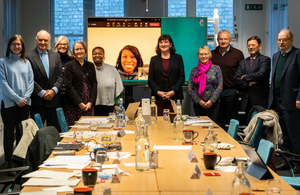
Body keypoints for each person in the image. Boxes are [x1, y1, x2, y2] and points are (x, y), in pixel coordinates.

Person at [268, 29, 300, 173]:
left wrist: (299, 97)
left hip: (292, 101)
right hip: (277, 100)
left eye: (284, 40)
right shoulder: (275, 56)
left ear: (291, 40)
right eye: (279, 40)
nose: (281, 42)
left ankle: (298, 162)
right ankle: (287, 161)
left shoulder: (297, 54)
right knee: (283, 134)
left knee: (294, 133)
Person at [0, 35, 34, 169]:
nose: (16, 46)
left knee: (22, 133)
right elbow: (3, 84)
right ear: (9, 46)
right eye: (14, 44)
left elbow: (31, 82)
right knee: (9, 134)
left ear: (22, 46)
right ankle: (9, 162)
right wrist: (18, 99)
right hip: (9, 104)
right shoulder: (3, 62)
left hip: (25, 104)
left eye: (19, 44)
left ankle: (20, 160)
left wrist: (24, 98)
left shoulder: (26, 62)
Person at [26, 30, 63, 130]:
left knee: (53, 132)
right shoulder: (28, 56)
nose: (43, 42)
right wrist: (42, 93)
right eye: (40, 40)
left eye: (45, 40)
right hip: (38, 101)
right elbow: (29, 78)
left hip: (54, 100)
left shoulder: (56, 56)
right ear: (35, 40)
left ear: (49, 41)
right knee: (37, 133)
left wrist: (53, 91)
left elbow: (61, 76)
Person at [211, 29, 244, 129]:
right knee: (217, 118)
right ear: (217, 40)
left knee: (231, 119)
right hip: (215, 91)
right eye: (221, 39)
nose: (223, 41)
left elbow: (243, 72)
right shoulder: (212, 54)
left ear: (230, 40)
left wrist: (238, 90)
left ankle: (231, 141)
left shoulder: (238, 54)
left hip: (231, 91)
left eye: (225, 39)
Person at [148, 34, 185, 116]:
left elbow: (181, 77)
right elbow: (150, 79)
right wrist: (159, 92)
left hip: (174, 97)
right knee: (158, 123)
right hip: (158, 97)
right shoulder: (154, 59)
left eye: (166, 42)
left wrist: (172, 92)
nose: (163, 44)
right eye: (161, 42)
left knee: (174, 121)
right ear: (158, 45)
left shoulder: (178, 58)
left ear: (171, 44)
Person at [233, 36, 271, 116]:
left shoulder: (265, 60)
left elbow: (261, 74)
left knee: (260, 125)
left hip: (261, 100)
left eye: (253, 45)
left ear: (259, 46)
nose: (251, 47)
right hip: (246, 100)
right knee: (249, 125)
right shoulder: (242, 62)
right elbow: (236, 79)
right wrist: (248, 84)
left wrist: (245, 77)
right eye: (249, 45)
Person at [64, 41, 97, 125]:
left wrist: (91, 102)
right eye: (76, 49)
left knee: (89, 128)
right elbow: (68, 86)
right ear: (73, 51)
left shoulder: (90, 65)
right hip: (74, 104)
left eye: (81, 49)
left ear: (85, 50)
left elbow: (94, 84)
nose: (79, 51)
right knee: (75, 129)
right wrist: (79, 103)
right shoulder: (69, 65)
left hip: (88, 104)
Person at [188, 46, 223, 122]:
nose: (203, 56)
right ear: (198, 56)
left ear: (209, 55)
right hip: (198, 104)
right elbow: (190, 88)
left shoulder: (216, 68)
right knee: (200, 127)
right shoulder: (194, 70)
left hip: (213, 103)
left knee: (213, 126)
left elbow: (219, 87)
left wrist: (211, 101)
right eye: (201, 54)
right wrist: (199, 101)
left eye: (206, 54)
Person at [92, 46, 124, 116]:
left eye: (100, 54)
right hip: (92, 106)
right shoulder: (88, 69)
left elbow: (118, 88)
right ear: (92, 56)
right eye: (95, 54)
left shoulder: (112, 69)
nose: (97, 55)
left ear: (104, 56)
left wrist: (117, 104)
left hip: (110, 106)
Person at [52, 36, 73, 106]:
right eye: (60, 44)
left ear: (68, 46)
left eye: (65, 44)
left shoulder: (72, 59)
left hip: (69, 95)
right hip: (55, 94)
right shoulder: (51, 59)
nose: (62, 46)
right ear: (56, 45)